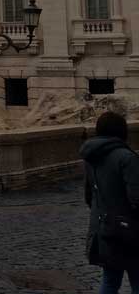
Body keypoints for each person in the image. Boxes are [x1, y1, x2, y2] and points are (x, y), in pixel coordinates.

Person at [80, 111, 139, 293]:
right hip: (129, 232)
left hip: (104, 229)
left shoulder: (92, 157)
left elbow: (89, 196)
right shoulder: (127, 158)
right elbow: (137, 199)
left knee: (110, 281)